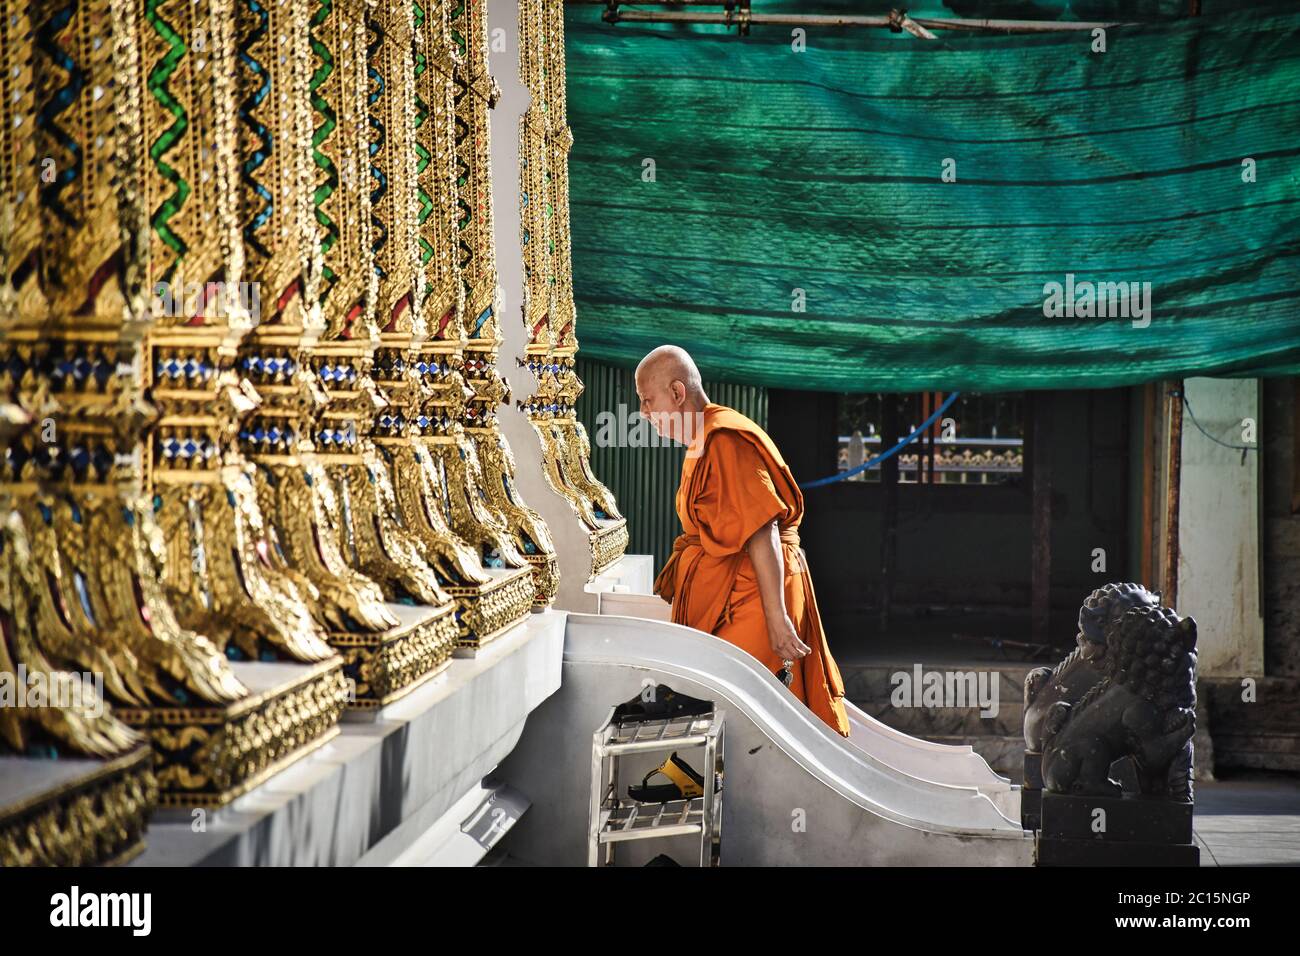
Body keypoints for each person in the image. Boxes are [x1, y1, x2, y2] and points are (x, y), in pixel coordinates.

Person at [636, 345, 850, 737]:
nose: (643, 412)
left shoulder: (724, 439)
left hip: (754, 598)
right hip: (739, 595)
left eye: (648, 400)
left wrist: (778, 620)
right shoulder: (703, 441)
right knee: (730, 707)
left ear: (678, 394)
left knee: (745, 712)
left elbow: (760, 529)